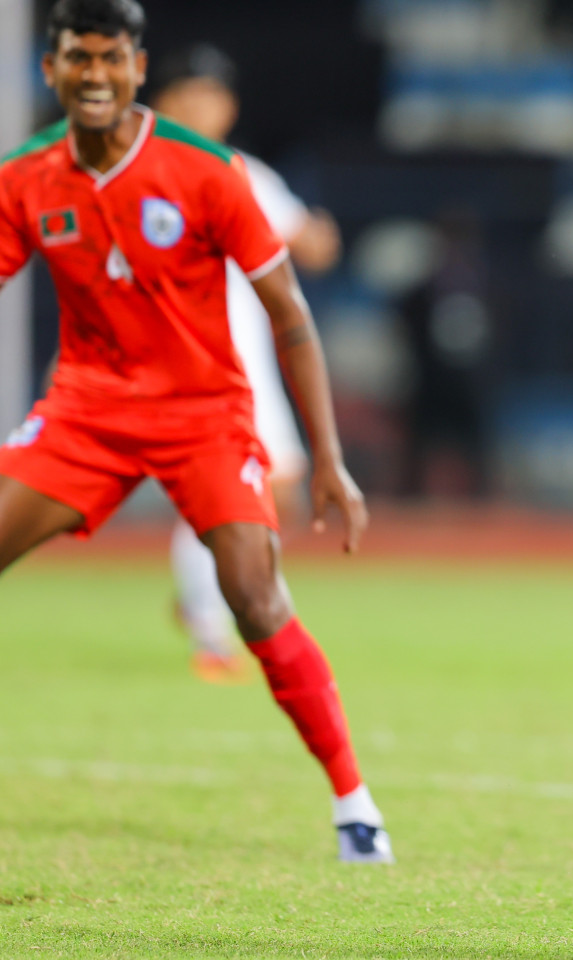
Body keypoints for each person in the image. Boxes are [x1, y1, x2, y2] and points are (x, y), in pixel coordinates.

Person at [0, 0, 392, 863]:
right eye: (78, 58)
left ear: (137, 69)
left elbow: (290, 313)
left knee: (255, 595)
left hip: (202, 415)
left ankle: (353, 803)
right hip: (84, 412)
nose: (94, 75)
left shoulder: (210, 174)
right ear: (52, 70)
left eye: (111, 58)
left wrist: (328, 458)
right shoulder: (25, 175)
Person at [149, 43, 343, 680]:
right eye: (189, 94)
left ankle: (200, 601)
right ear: (164, 101)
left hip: (245, 359)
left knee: (274, 488)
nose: (201, 107)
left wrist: (318, 232)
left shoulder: (245, 173)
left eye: (212, 95)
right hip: (183, 361)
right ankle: (211, 631)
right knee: (219, 495)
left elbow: (309, 247)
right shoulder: (145, 172)